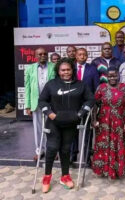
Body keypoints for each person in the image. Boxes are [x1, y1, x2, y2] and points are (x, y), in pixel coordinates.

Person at [38, 58, 95, 193]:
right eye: (63, 70)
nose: (66, 72)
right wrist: (50, 114)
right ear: (58, 71)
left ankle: (65, 176)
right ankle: (47, 176)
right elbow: (42, 101)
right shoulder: (51, 84)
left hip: (71, 123)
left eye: (68, 69)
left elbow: (90, 99)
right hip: (54, 122)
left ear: (72, 70)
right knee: (52, 148)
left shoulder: (81, 85)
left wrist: (80, 114)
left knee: (65, 150)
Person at [92, 68, 125, 179]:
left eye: (114, 75)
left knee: (121, 144)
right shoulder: (101, 88)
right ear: (106, 76)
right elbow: (95, 105)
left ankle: (123, 169)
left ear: (118, 75)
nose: (112, 78)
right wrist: (93, 119)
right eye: (110, 76)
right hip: (104, 122)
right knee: (105, 144)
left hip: (121, 121)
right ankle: (104, 170)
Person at [25, 47, 56, 161]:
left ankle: (52, 150)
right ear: (35, 56)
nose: (43, 55)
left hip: (51, 103)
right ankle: (39, 150)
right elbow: (27, 87)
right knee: (38, 128)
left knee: (52, 128)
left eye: (45, 53)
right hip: (36, 103)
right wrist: (27, 105)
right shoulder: (30, 69)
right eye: (40, 54)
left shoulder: (54, 67)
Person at [70, 48, 100, 164]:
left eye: (84, 55)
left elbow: (96, 87)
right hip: (73, 105)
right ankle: (73, 156)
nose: (82, 56)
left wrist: (94, 102)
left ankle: (87, 158)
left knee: (88, 132)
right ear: (76, 56)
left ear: (87, 57)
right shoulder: (71, 68)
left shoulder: (92, 69)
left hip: (87, 104)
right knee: (73, 131)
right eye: (79, 54)